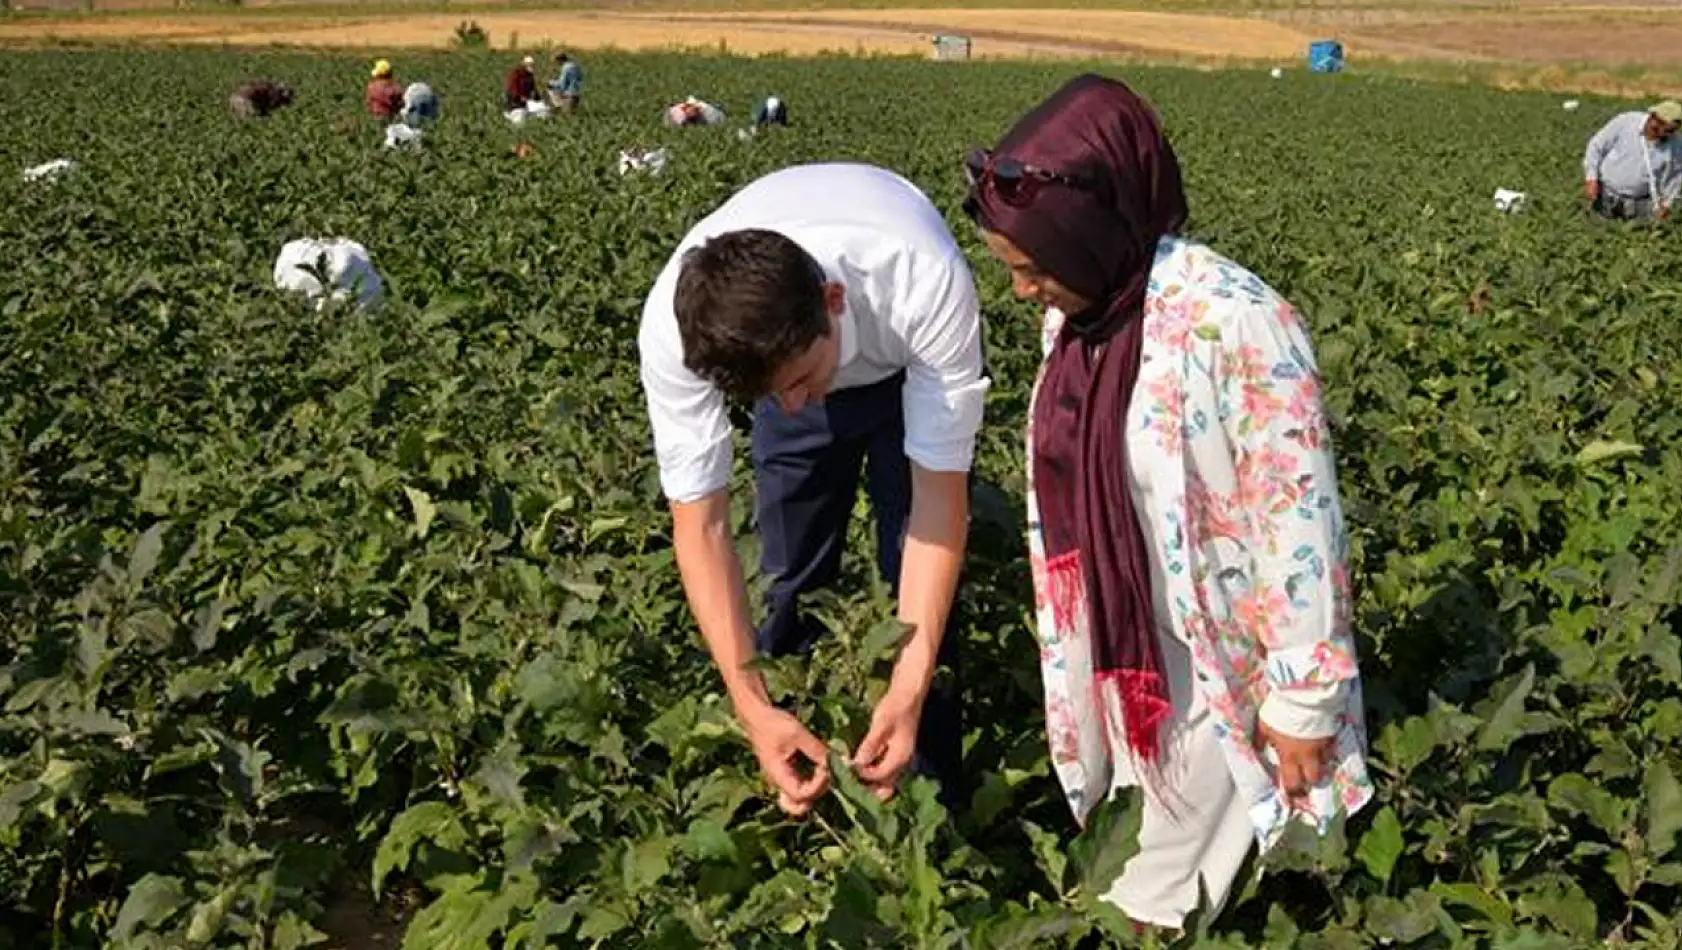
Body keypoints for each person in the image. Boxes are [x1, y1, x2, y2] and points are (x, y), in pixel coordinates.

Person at [963, 74, 1371, 931]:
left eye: (1033, 269)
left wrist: (1303, 703)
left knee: (1140, 907)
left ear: (1086, 236)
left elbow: (1299, 521)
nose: (1022, 290)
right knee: (1134, 869)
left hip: (1223, 664)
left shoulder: (1239, 324)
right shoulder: (1086, 319)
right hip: (1133, 655)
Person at [637, 163, 989, 816]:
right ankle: (792, 755)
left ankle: (935, 804)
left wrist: (908, 689)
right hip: (788, 349)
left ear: (832, 300)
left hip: (901, 366)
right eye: (770, 395)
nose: (792, 408)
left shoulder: (921, 279)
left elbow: (940, 505)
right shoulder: (678, 328)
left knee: (912, 583)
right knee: (789, 574)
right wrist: (750, 709)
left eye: (800, 381)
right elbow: (702, 526)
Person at [1583, 100, 1681, 221]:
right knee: (1598, 230)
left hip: (1640, 202)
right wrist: (1591, 179)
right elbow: (1596, 146)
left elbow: (1675, 177)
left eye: (1668, 132)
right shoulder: (1626, 122)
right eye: (1657, 129)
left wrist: (1666, 205)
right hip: (1605, 194)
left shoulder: (1676, 145)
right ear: (1652, 117)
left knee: (1637, 235)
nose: (1661, 134)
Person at [229, 79, 293, 120]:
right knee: (249, 118)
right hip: (242, 99)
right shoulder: (272, 93)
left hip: (238, 98)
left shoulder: (269, 90)